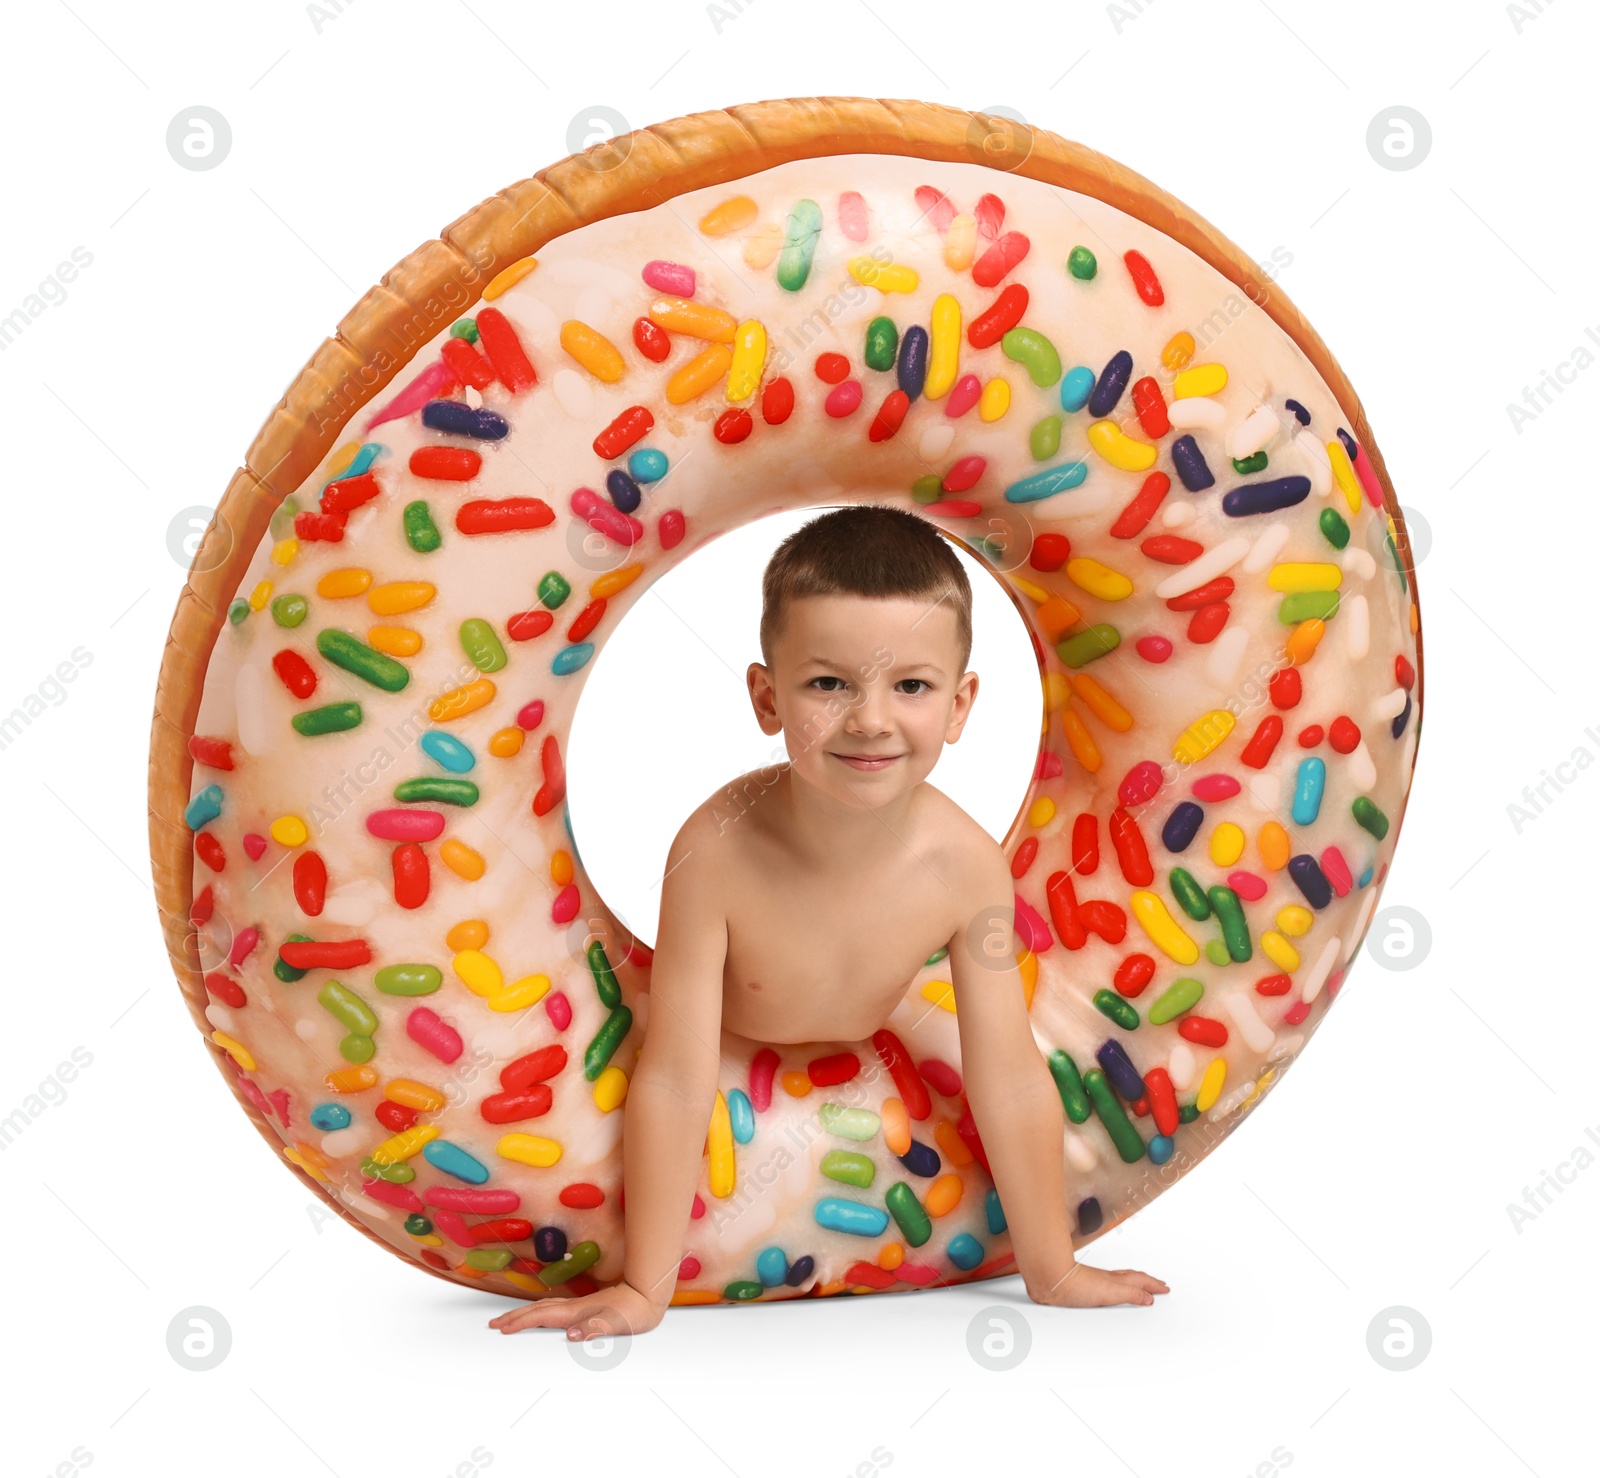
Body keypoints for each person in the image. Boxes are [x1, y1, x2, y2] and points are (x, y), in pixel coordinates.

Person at [491, 503, 1168, 1341]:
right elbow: (671, 1073)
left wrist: (1053, 1267)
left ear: (960, 708)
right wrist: (644, 1289)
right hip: (730, 1058)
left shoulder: (963, 867)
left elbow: (1009, 1070)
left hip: (881, 1077)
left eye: (910, 686)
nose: (870, 719)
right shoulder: (717, 850)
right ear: (766, 697)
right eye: (828, 683)